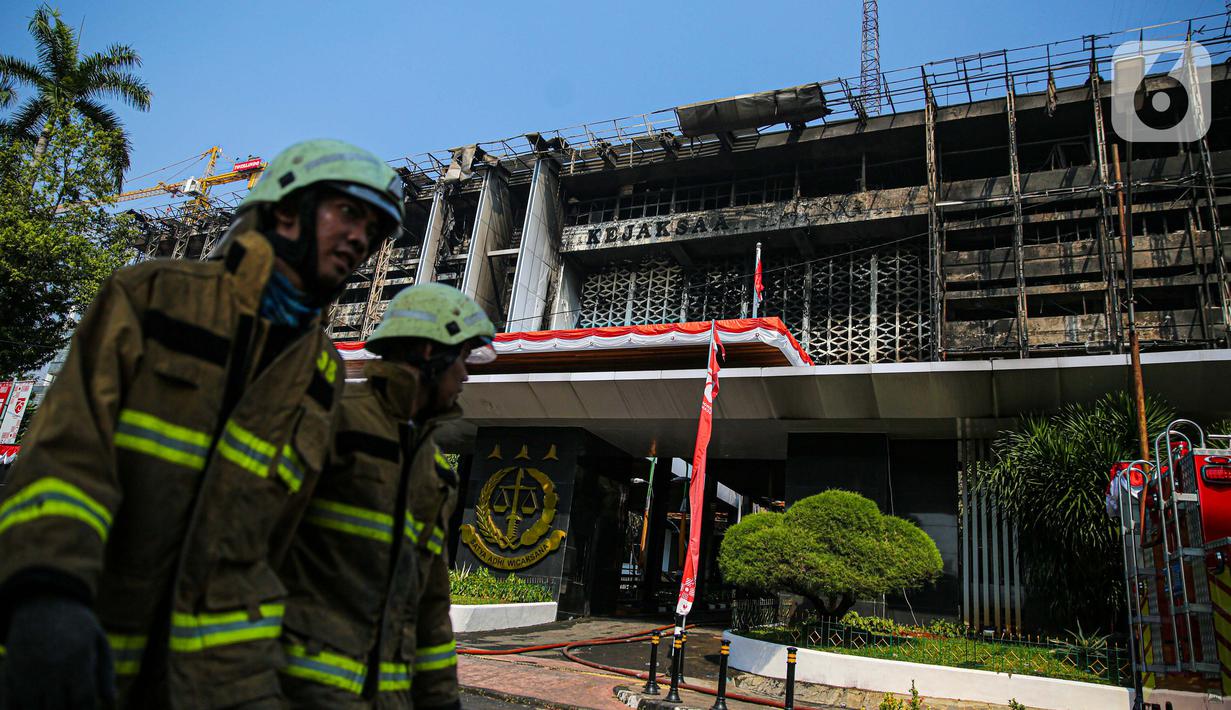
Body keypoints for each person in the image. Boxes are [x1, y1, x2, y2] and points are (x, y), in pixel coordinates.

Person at [0, 139, 405, 709]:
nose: (363, 239)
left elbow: (290, 539)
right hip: (82, 658)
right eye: (349, 212)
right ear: (286, 209)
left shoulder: (323, 371)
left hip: (227, 683)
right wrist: (47, 594)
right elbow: (67, 456)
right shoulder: (153, 296)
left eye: (376, 230)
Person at [276, 283, 495, 709]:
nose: (467, 375)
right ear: (431, 355)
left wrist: (441, 700)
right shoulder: (329, 421)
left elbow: (430, 609)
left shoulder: (433, 470)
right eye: (463, 358)